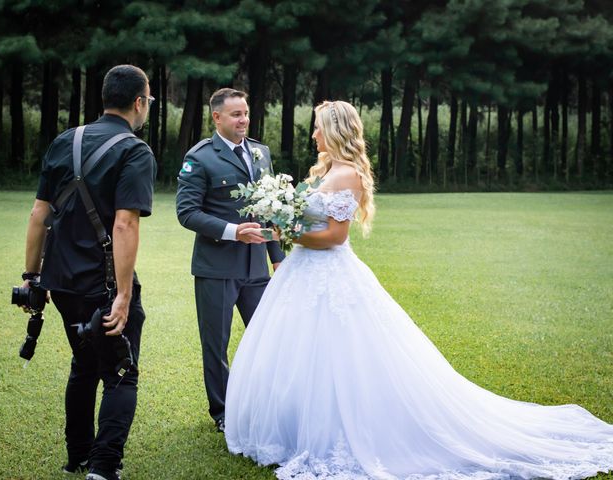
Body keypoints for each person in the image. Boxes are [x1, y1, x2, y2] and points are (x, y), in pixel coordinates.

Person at [224, 100, 613, 479]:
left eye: (318, 126)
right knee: (301, 352)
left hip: (329, 272)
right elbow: (313, 223)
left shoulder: (346, 176)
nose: (313, 134)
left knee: (341, 353)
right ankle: (294, 426)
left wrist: (289, 232)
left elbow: (334, 237)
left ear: (335, 130)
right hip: (304, 275)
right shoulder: (329, 171)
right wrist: (285, 225)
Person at [18, 65, 156, 480]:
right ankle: (104, 466)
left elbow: (39, 213)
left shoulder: (66, 140)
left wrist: (30, 278)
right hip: (104, 282)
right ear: (138, 102)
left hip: (60, 281)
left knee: (83, 365)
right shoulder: (135, 150)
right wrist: (125, 293)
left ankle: (77, 455)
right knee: (119, 373)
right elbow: (124, 224)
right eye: (148, 100)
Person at [176, 88, 285, 433]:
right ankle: (223, 412)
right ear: (217, 118)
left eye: (246, 113)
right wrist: (232, 231)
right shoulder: (200, 157)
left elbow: (271, 208)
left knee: (267, 338)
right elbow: (187, 212)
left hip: (256, 268)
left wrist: (277, 257)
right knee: (216, 344)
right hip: (217, 269)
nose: (243, 120)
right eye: (236, 114)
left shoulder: (261, 152)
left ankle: (264, 403)